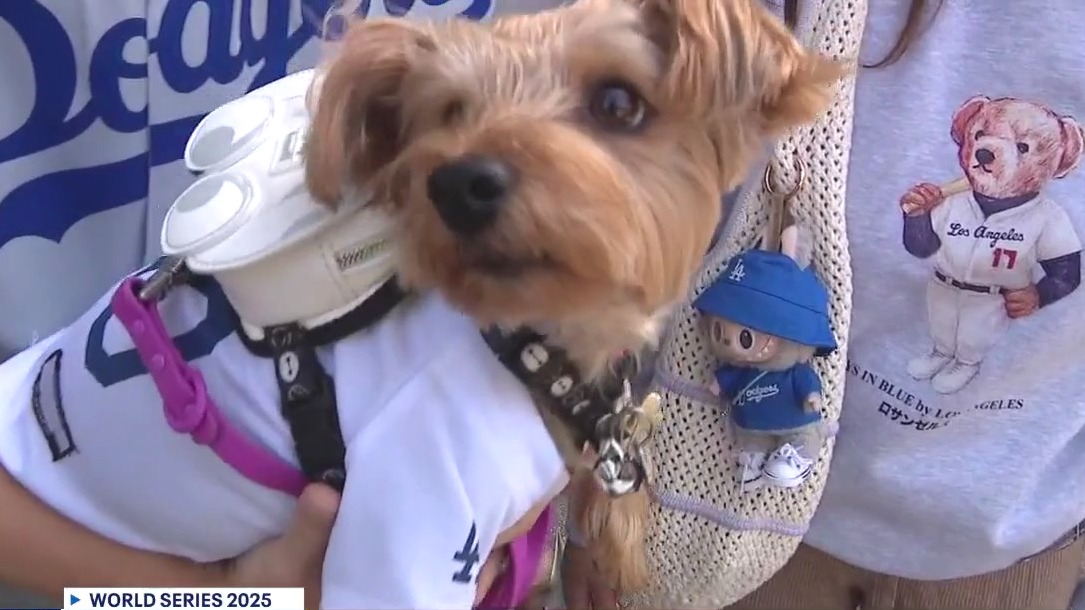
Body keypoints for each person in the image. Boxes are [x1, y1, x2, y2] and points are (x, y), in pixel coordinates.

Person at [564, 0, 1085, 608]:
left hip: (1008, 550)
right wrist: (608, 495)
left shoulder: (1045, 217)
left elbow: (1063, 270)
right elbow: (646, 215)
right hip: (721, 519)